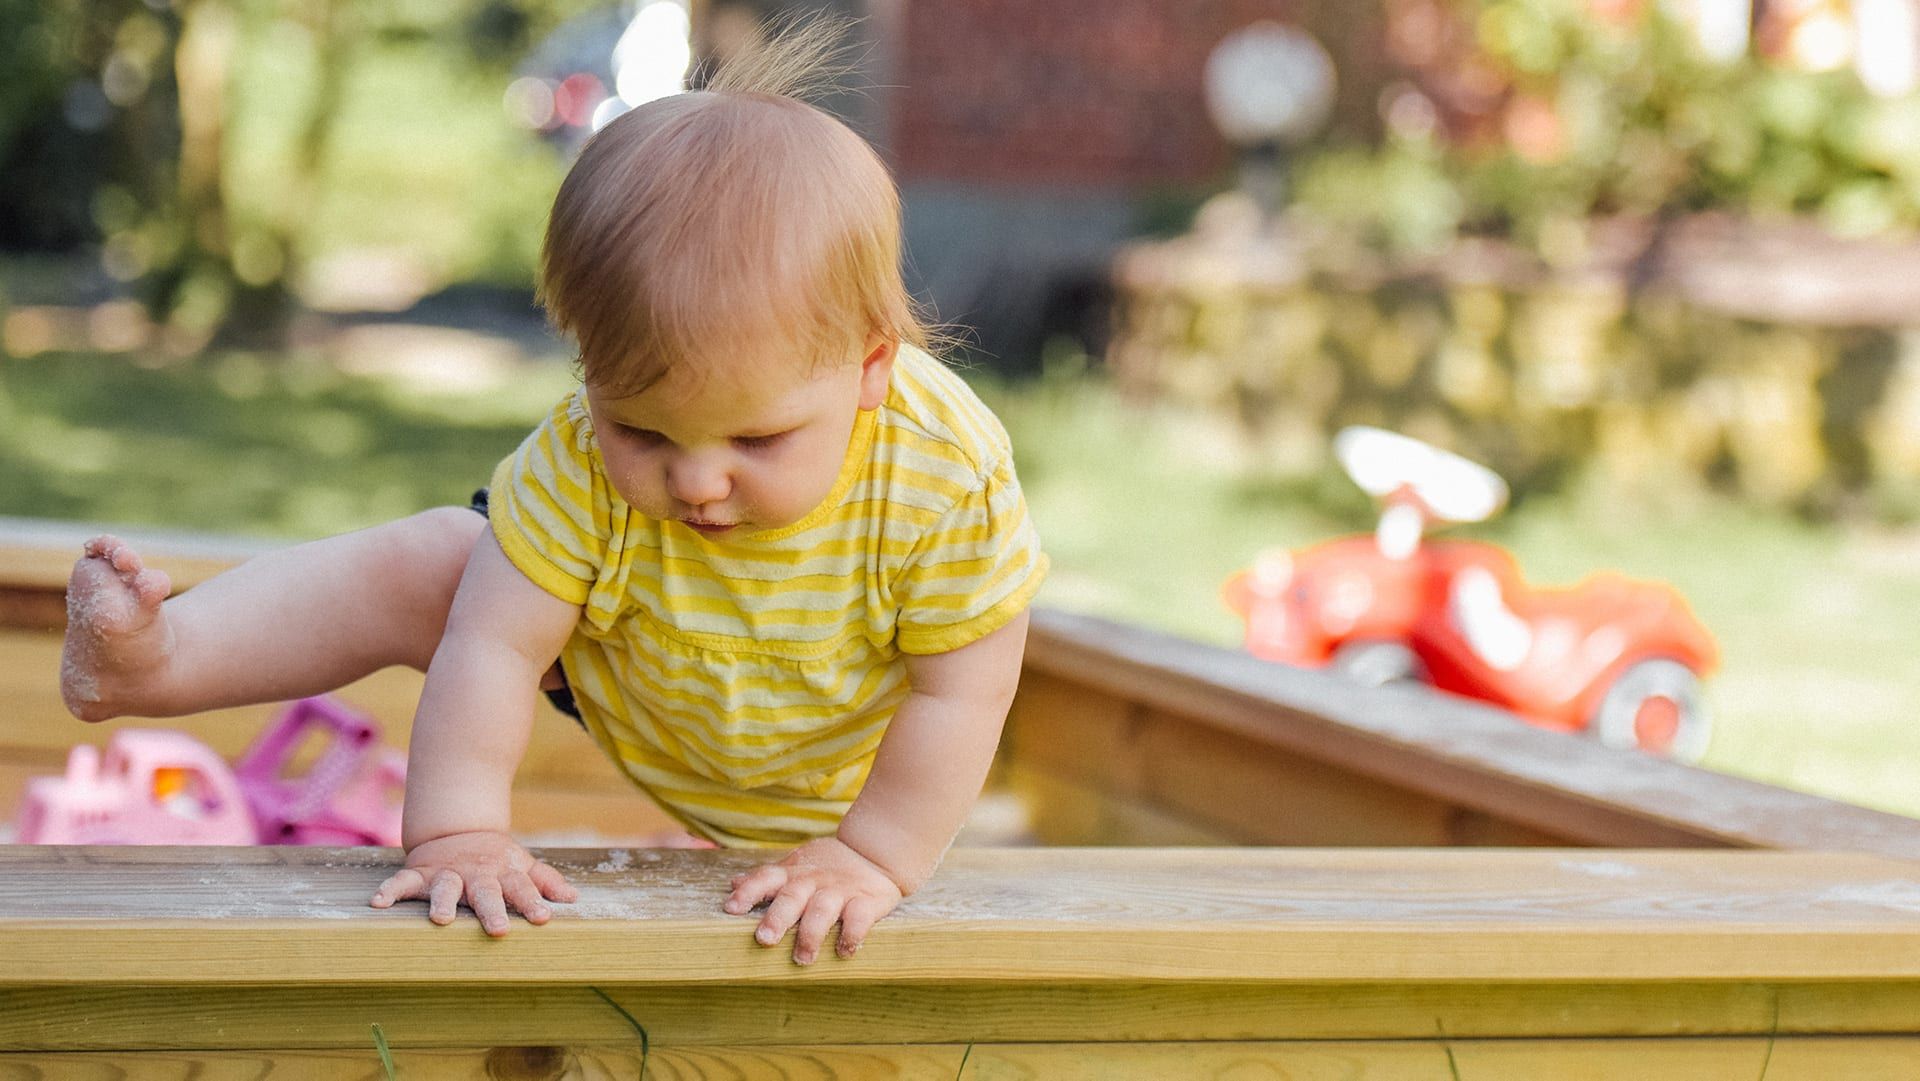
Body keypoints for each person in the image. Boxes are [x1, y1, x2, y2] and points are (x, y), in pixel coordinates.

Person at [56, 19, 1047, 966]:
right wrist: (458, 833)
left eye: (759, 437)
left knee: (918, 731)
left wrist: (872, 854)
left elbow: (964, 688)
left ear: (872, 368)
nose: (697, 480)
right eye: (643, 431)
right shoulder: (575, 458)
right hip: (645, 672)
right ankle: (158, 660)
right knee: (443, 563)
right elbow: (493, 647)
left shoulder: (940, 474)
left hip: (849, 760)